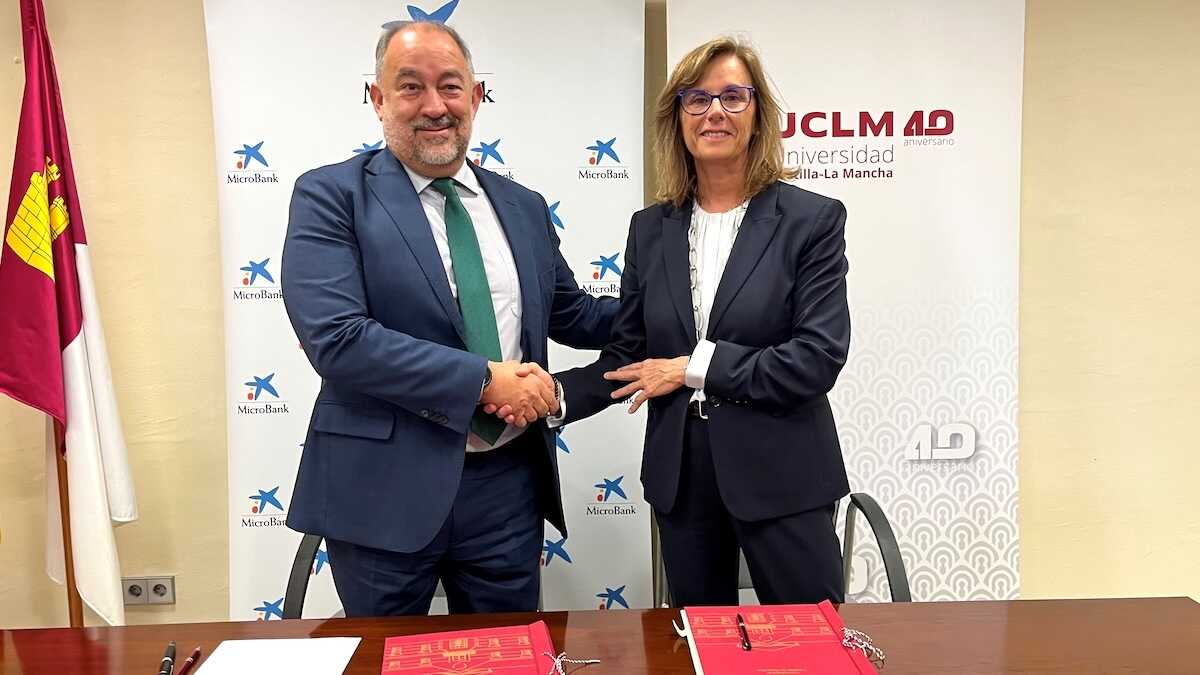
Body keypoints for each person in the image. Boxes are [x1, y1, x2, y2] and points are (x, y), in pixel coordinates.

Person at [496, 37, 851, 605]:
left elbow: (816, 358)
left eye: (733, 97)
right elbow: (628, 354)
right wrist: (553, 395)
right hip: (682, 480)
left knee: (808, 641)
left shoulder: (811, 221)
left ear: (758, 114)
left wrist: (691, 368)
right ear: (678, 118)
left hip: (785, 476)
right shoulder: (650, 229)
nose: (715, 112)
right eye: (697, 99)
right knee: (698, 641)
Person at [280, 20, 617, 616]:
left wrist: (681, 308)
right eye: (411, 87)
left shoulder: (523, 206)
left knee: (509, 653)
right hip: (381, 490)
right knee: (387, 657)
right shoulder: (331, 196)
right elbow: (338, 339)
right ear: (378, 98)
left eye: (451, 86)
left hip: (507, 489)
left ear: (477, 96)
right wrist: (484, 380)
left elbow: (574, 314)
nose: (435, 106)